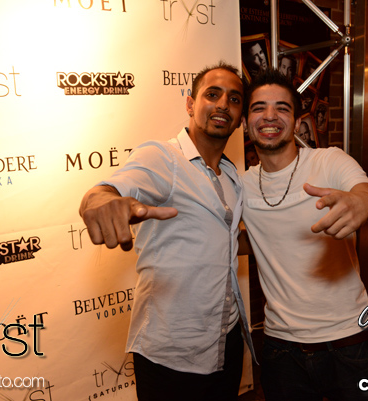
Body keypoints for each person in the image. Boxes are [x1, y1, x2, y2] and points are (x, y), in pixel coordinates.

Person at [79, 62, 255, 401]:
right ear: (190, 104)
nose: (223, 104)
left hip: (226, 340)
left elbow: (224, 241)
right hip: (171, 353)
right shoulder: (161, 158)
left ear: (240, 119)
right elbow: (107, 190)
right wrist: (100, 200)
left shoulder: (232, 175)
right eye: (212, 94)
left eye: (234, 99)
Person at [240, 69, 368, 400]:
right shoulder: (241, 185)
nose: (270, 116)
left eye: (282, 108)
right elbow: (255, 239)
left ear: (297, 121)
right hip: (281, 351)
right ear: (245, 123)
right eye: (259, 108)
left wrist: (366, 204)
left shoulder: (330, 161)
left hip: (350, 342)